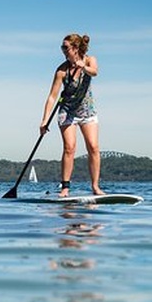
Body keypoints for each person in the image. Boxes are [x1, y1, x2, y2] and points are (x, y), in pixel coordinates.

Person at [39, 33, 103, 197]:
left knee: (94, 147)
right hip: (67, 111)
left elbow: (95, 72)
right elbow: (52, 96)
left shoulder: (90, 60)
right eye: (62, 47)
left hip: (87, 110)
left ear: (75, 48)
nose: (63, 50)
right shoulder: (62, 70)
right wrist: (44, 120)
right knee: (70, 148)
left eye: (65, 47)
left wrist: (83, 67)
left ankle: (95, 187)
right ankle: (65, 188)